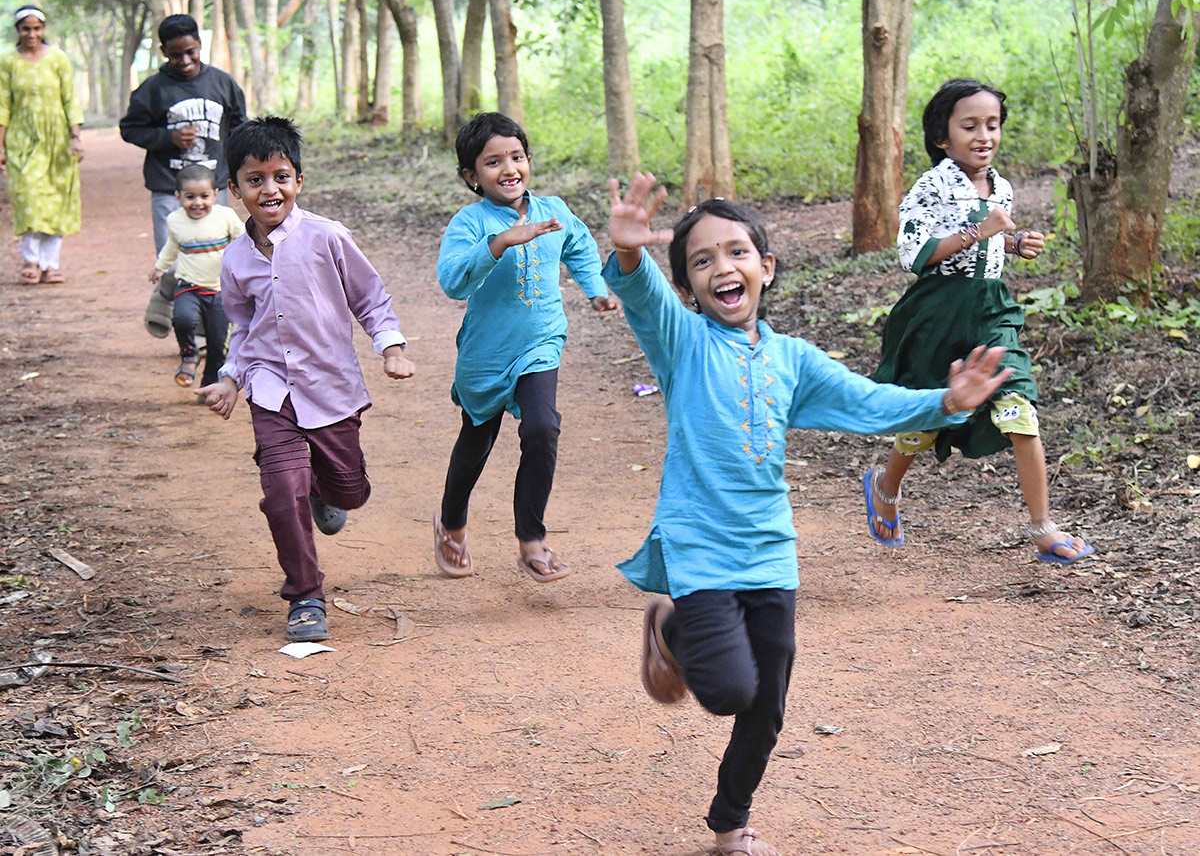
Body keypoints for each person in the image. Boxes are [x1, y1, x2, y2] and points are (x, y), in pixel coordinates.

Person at [603, 174, 1014, 856]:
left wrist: (943, 403)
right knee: (732, 690)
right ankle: (670, 626)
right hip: (700, 547)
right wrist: (626, 257)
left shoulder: (793, 361)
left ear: (765, 268)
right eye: (701, 261)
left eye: (735, 253)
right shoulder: (683, 343)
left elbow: (866, 401)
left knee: (766, 709)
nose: (720, 268)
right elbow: (644, 299)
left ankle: (729, 823)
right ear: (688, 287)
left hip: (770, 552)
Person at [196, 117, 414, 642]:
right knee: (280, 489)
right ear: (235, 189)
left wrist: (391, 346)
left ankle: (326, 488)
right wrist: (230, 377)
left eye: (281, 176)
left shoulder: (327, 237)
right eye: (255, 179)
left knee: (351, 493)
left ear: (298, 180)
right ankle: (305, 597)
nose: (269, 189)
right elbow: (243, 326)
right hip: (271, 389)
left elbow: (370, 298)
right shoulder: (234, 259)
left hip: (331, 386)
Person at [863, 78, 1093, 564]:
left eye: (992, 125)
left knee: (1019, 407)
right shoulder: (931, 186)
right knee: (930, 419)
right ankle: (885, 487)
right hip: (936, 314)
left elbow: (993, 238)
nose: (983, 135)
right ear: (943, 137)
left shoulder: (1001, 187)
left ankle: (1043, 528)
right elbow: (914, 254)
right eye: (969, 126)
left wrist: (1015, 243)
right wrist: (977, 232)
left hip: (992, 309)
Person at [433, 112, 618, 582]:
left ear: (528, 159)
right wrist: (496, 244)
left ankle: (532, 540)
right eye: (493, 162)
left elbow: (577, 247)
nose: (509, 168)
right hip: (485, 353)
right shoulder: (469, 222)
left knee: (542, 428)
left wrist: (595, 288)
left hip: (541, 342)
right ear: (471, 176)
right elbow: (453, 281)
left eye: (516, 156)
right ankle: (451, 523)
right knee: (476, 442)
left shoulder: (553, 210)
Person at [119, 14, 246, 333]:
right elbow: (129, 129)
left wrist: (240, 171)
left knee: (213, 260)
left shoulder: (222, 83)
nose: (185, 60)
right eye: (176, 55)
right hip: (168, 188)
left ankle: (203, 331)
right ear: (164, 52)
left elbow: (240, 126)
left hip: (212, 187)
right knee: (175, 259)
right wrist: (167, 138)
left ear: (200, 44)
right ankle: (166, 291)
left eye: (191, 52)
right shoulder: (153, 89)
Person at [0, 5, 83, 284]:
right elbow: (2, 106)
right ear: (18, 31)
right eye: (26, 28)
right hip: (22, 141)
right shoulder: (7, 61)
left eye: (37, 28)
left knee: (56, 201)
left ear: (43, 30)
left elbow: (70, 99)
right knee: (29, 198)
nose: (31, 34)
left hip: (57, 141)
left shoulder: (58, 59)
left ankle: (50, 264)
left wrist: (75, 136)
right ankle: (30, 259)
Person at [148, 164, 243, 393]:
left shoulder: (226, 216)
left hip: (220, 290)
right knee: (182, 319)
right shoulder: (175, 220)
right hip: (188, 286)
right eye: (190, 197)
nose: (197, 203)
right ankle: (189, 354)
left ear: (215, 194)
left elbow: (243, 240)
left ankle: (210, 384)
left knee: (218, 343)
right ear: (178, 196)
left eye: (204, 196)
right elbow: (172, 247)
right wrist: (160, 267)